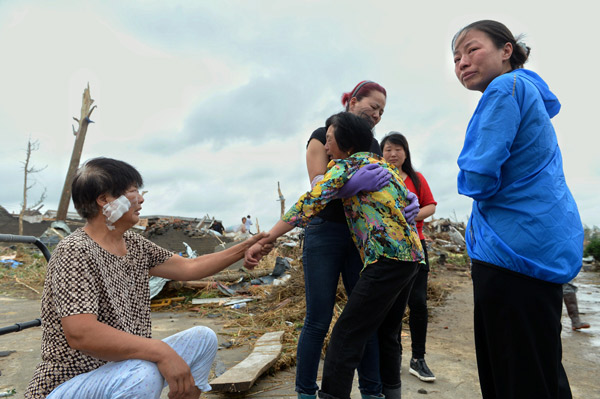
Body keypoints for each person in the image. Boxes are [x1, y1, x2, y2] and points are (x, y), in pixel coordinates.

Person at [24, 157, 269, 399]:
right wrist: (160, 351)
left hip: (121, 370)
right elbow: (81, 333)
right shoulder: (75, 250)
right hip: (69, 383)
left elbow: (189, 268)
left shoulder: (133, 244)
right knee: (143, 372)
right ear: (104, 200)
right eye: (132, 191)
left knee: (202, 339)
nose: (141, 199)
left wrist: (245, 247)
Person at [246, 112, 424, 399]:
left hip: (386, 260)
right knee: (379, 331)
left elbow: (308, 204)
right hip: (411, 259)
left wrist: (268, 237)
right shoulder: (380, 164)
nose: (326, 148)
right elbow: (405, 198)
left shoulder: (344, 167)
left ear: (346, 142)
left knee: (343, 336)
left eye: (329, 141)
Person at [452, 20, 583, 398]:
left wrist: (476, 185)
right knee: (540, 368)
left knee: (513, 376)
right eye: (456, 57)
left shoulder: (504, 88)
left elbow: (476, 175)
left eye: (471, 49)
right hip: (541, 246)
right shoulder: (528, 91)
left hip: (511, 252)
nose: (461, 62)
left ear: (506, 50)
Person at [298, 80, 390, 399]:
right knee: (318, 318)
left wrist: (405, 202)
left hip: (360, 238)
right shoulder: (322, 135)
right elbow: (317, 189)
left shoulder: (374, 148)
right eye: (372, 106)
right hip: (325, 231)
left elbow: (384, 192)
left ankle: (372, 391)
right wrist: (348, 186)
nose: (377, 115)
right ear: (351, 101)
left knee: (362, 318)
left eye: (381, 111)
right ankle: (306, 392)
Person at [381, 132, 437, 382]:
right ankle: (392, 356)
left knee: (419, 304)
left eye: (397, 149)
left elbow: (431, 205)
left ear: (406, 153)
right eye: (388, 150)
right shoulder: (378, 177)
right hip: (387, 250)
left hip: (416, 247)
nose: (393, 154)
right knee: (391, 305)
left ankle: (418, 358)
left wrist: (411, 217)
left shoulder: (417, 178)